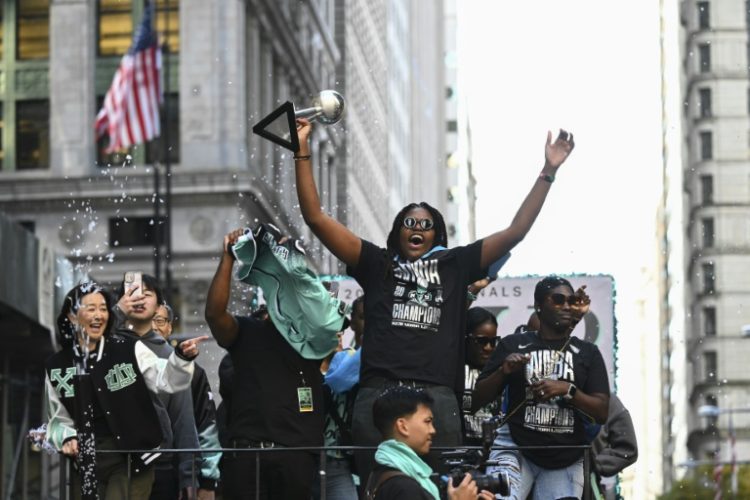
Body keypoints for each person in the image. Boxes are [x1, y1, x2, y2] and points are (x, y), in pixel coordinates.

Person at [294, 118, 575, 484]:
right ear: (397, 233)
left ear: (437, 235)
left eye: (427, 225)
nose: (418, 228)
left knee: (439, 490)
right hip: (379, 396)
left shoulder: (456, 265)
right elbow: (315, 218)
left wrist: (548, 170)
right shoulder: (376, 264)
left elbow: (515, 231)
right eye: (410, 223)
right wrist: (301, 149)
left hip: (437, 398)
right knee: (384, 489)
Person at [205, 228, 333, 499]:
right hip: (249, 455)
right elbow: (215, 315)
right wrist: (228, 257)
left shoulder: (313, 334)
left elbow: (322, 310)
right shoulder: (248, 330)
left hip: (297, 457)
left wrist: (293, 262)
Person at [44, 282, 204, 499]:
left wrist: (181, 358)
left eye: (103, 308)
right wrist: (66, 437)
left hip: (133, 458)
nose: (99, 315)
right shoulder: (57, 364)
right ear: (71, 316)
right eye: (91, 308)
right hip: (87, 461)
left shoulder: (128, 348)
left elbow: (165, 378)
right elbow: (57, 418)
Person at [473, 276, 610, 500]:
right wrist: (503, 371)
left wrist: (568, 390)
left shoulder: (588, 353)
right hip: (514, 447)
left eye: (571, 300)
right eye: (558, 299)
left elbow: (602, 411)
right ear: (538, 305)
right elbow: (476, 400)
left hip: (564, 456)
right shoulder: (513, 344)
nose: (566, 305)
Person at [115, 275, 202, 499]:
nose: (139, 299)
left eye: (147, 294)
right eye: (132, 293)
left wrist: (188, 477)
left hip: (160, 465)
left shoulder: (171, 355)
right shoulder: (105, 347)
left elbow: (184, 418)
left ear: (159, 306)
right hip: (113, 463)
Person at [366, 386, 494, 500]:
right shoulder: (404, 488)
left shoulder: (380, 472)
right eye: (427, 421)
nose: (433, 430)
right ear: (402, 426)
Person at [153, 304, 222, 499]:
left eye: (160, 321)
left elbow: (206, 424)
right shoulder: (127, 366)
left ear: (169, 328)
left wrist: (208, 479)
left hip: (175, 472)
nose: (154, 327)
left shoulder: (193, 372)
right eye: (149, 321)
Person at [462, 307, 501, 445]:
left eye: (493, 341)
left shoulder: (500, 369)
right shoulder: (452, 370)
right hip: (460, 447)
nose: (488, 347)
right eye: (482, 341)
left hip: (494, 450)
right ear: (465, 338)